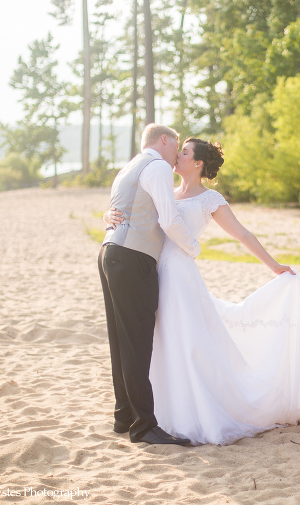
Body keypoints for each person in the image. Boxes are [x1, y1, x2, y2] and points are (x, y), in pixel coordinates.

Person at [103, 136, 300, 445]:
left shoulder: (209, 199)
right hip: (152, 272)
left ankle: (196, 410)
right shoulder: (164, 189)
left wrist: (274, 266)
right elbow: (133, 209)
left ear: (198, 163)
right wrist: (109, 217)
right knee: (161, 342)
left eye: (184, 152)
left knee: (189, 342)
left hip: (179, 274)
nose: (177, 156)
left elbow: (242, 233)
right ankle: (159, 411)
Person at [98, 124, 200, 445]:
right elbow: (168, 219)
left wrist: (106, 217)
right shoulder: (156, 166)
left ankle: (124, 416)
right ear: (165, 140)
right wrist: (193, 248)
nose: (175, 157)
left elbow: (121, 208)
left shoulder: (130, 166)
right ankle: (144, 425)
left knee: (120, 341)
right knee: (138, 343)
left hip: (110, 253)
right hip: (132, 258)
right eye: (176, 147)